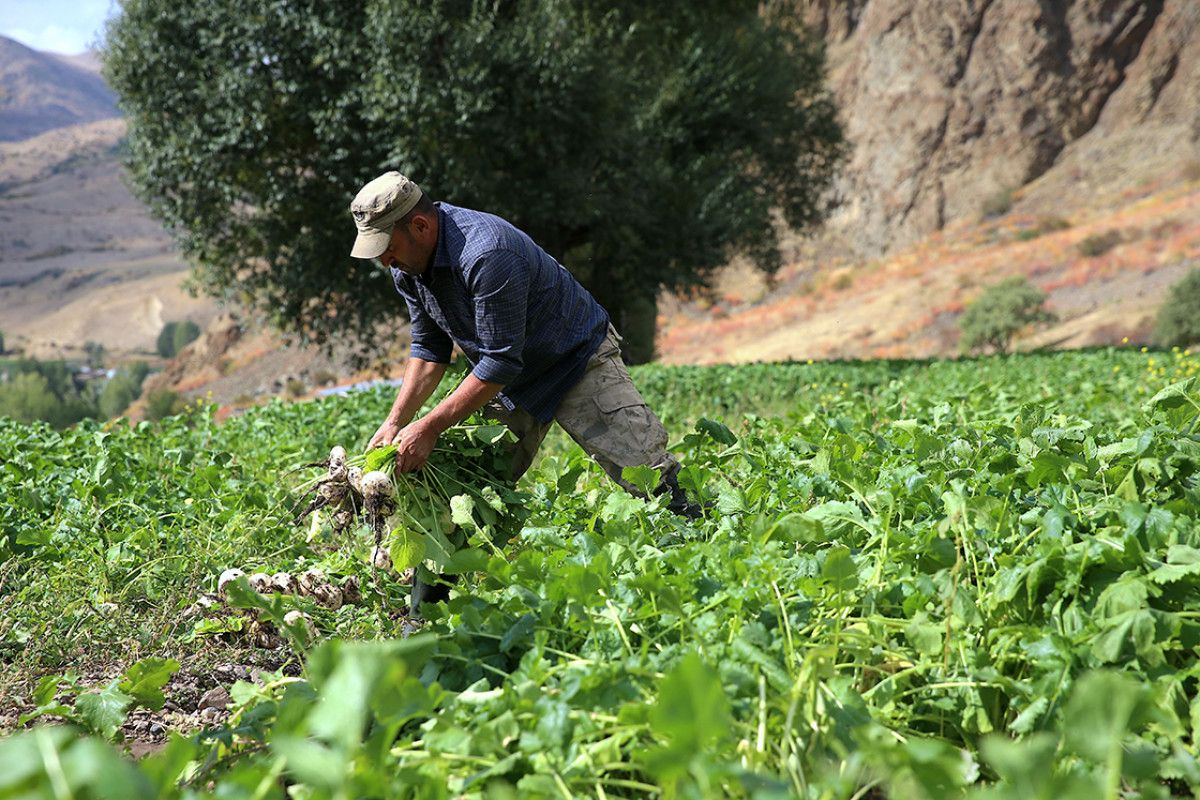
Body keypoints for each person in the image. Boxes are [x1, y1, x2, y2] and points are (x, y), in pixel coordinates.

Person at [349, 171, 700, 614]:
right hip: (508, 375)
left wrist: (431, 425)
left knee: (646, 470)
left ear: (419, 226)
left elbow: (498, 361)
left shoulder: (486, 253)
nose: (386, 263)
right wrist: (397, 420)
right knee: (458, 490)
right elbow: (428, 350)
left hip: (574, 356)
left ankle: (709, 556)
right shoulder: (410, 268)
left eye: (389, 249)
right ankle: (424, 620)